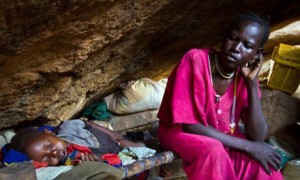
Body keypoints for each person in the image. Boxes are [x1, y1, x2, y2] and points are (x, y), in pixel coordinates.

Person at [157, 12, 283, 180]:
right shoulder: (195, 60)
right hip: (179, 132)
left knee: (265, 166)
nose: (236, 48)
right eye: (233, 38)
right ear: (225, 37)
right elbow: (189, 126)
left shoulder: (244, 77)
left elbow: (258, 136)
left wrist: (251, 84)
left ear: (256, 54)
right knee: (213, 151)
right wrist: (248, 146)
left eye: (247, 46)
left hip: (226, 137)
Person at [7, 119, 143, 166]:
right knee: (145, 154)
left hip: (117, 141)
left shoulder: (68, 127)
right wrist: (99, 164)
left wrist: (115, 136)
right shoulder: (72, 160)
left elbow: (89, 124)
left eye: (49, 145)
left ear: (50, 133)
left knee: (143, 147)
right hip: (123, 157)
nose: (54, 153)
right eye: (47, 158)